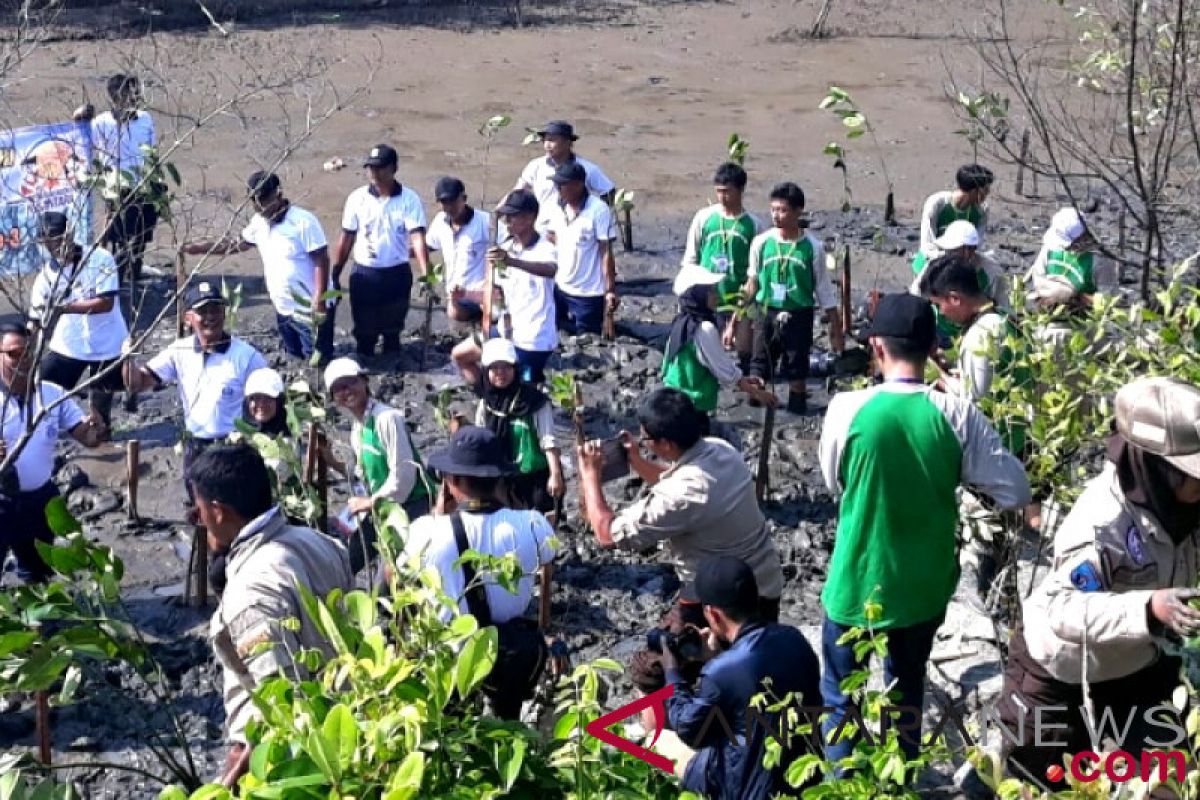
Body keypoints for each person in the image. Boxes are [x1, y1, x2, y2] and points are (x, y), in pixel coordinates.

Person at [817, 293, 1030, 766]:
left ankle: (843, 788)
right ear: (932, 348)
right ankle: (900, 784)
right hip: (923, 588)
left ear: (876, 347)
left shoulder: (846, 409)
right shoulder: (957, 414)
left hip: (856, 581)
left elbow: (836, 484)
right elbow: (1015, 490)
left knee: (838, 702)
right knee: (905, 692)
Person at [996, 376, 1200, 786]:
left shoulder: (1185, 511)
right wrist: (1149, 608)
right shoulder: (1102, 521)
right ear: (1158, 468)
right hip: (1060, 675)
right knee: (1038, 783)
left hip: (1137, 667)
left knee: (1166, 781)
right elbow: (1062, 609)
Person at [576, 388, 784, 692]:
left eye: (646, 439)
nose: (644, 443)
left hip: (721, 602)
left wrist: (590, 477)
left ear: (667, 444)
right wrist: (635, 458)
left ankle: (678, 723)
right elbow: (672, 481)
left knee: (651, 673)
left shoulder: (682, 496)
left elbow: (608, 534)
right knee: (757, 671)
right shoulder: (719, 449)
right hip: (764, 581)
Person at [189, 443, 351, 787]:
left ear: (217, 511)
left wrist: (231, 781)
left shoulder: (251, 589)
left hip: (301, 763)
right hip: (349, 723)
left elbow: (280, 704)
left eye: (198, 511)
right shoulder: (319, 541)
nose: (198, 520)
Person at [398, 425, 556, 718]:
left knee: (455, 728)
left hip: (453, 655)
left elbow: (397, 576)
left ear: (452, 480)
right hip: (511, 655)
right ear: (500, 478)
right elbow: (546, 558)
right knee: (508, 727)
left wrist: (439, 513)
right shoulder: (533, 524)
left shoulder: (426, 532)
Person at [653, 556, 822, 799]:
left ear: (713, 614)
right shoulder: (794, 638)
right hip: (802, 781)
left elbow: (688, 729)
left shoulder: (721, 671)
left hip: (743, 789)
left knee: (654, 741)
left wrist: (672, 673)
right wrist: (718, 657)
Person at [182, 172, 333, 363]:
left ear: (278, 194)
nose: (259, 205)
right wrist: (201, 248)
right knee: (294, 356)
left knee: (318, 360)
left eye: (263, 199)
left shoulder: (303, 222)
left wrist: (319, 300)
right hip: (283, 307)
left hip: (308, 307)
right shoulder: (258, 223)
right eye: (254, 200)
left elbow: (322, 260)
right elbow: (238, 244)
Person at [122, 281, 268, 478]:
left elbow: (271, 402)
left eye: (216, 309)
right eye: (203, 311)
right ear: (188, 318)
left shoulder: (248, 357)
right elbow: (137, 383)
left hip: (233, 447)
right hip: (195, 447)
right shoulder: (178, 351)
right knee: (197, 504)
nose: (210, 317)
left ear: (224, 313)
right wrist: (127, 358)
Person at [0, 324, 106, 584]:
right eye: (14, 354)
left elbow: (86, 437)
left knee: (38, 572)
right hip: (1, 502)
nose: (23, 360)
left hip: (40, 501)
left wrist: (96, 430)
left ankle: (40, 624)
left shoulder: (51, 393)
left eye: (28, 353)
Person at [738, 182, 842, 415]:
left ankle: (796, 411)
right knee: (759, 363)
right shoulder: (761, 243)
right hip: (766, 311)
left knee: (797, 369)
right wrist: (736, 318)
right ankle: (756, 411)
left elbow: (823, 290)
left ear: (798, 211)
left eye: (783, 210)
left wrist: (836, 327)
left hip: (799, 314)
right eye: (773, 209)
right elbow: (752, 282)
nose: (776, 215)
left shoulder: (812, 248)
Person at [322, 358, 430, 574]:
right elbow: (361, 474)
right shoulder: (358, 427)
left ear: (364, 381)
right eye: (338, 389)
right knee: (346, 563)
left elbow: (404, 474)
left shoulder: (387, 419)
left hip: (410, 507)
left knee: (389, 581)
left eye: (350, 383)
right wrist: (330, 459)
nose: (346, 391)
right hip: (380, 508)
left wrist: (369, 502)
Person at [28, 211, 128, 430]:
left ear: (70, 233)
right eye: (49, 241)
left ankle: (105, 427)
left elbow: (105, 303)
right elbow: (34, 320)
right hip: (69, 344)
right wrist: (25, 349)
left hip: (107, 343)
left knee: (101, 412)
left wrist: (63, 308)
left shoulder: (100, 258)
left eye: (59, 238)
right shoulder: (45, 278)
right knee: (41, 390)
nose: (56, 245)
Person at [331, 144, 431, 358]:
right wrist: (335, 274)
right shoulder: (357, 199)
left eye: (379, 168)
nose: (374, 173)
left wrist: (426, 274)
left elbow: (418, 238)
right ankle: (365, 362)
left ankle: (393, 364)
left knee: (393, 329)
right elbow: (346, 238)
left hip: (397, 273)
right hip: (365, 273)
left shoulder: (409, 199)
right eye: (370, 168)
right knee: (364, 330)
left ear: (394, 168)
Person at [451, 190, 558, 386]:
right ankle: (487, 396)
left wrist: (513, 262)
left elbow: (550, 270)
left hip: (534, 340)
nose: (507, 221)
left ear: (529, 218)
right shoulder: (506, 248)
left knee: (523, 386)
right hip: (505, 331)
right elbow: (497, 291)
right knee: (460, 356)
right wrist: (466, 295)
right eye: (505, 216)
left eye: (512, 216)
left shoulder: (545, 248)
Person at [662, 262, 778, 436]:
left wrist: (743, 378)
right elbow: (725, 372)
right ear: (698, 295)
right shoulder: (703, 329)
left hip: (673, 401)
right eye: (711, 291)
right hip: (691, 407)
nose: (716, 295)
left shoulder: (682, 323)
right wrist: (758, 393)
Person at [453, 337, 563, 512]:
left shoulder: (534, 402)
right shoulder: (486, 404)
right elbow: (482, 442)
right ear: (486, 371)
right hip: (500, 480)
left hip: (534, 481)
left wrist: (555, 476)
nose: (500, 373)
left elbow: (548, 441)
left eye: (506, 367)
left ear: (515, 368)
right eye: (494, 368)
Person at [75, 74, 160, 284]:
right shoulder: (101, 123)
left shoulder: (145, 119)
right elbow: (81, 141)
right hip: (116, 188)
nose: (134, 97)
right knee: (117, 236)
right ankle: (113, 275)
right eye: (129, 93)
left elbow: (152, 152)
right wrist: (79, 117)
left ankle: (135, 272)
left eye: (136, 92)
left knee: (142, 233)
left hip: (144, 184)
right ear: (115, 97)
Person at [681, 163, 762, 370]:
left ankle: (746, 381)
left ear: (741, 190)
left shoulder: (754, 225)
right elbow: (691, 259)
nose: (722, 197)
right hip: (708, 297)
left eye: (727, 192)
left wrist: (738, 314)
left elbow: (756, 273)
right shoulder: (704, 217)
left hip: (739, 296)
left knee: (744, 349)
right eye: (718, 192)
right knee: (708, 348)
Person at [540, 162, 619, 336]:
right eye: (556, 184)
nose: (557, 188)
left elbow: (606, 252)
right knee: (556, 328)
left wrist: (610, 290)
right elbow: (551, 236)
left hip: (588, 293)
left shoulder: (598, 210)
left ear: (578, 185)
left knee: (587, 335)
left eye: (562, 184)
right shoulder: (557, 207)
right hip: (560, 286)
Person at [910, 220, 1008, 341]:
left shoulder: (991, 271)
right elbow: (916, 297)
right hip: (941, 331)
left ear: (968, 251)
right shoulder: (937, 266)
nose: (947, 254)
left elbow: (1005, 308)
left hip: (979, 332)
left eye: (952, 250)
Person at [1027, 206, 1117, 312]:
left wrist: (1075, 298)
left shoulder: (1100, 261)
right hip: (1048, 312)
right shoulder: (1050, 249)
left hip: (1084, 319)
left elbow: (1107, 299)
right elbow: (1038, 277)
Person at [426, 176, 491, 324]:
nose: (449, 207)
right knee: (453, 314)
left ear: (464, 198)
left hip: (484, 293)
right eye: (444, 202)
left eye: (453, 201)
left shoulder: (486, 222)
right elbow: (427, 247)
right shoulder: (440, 221)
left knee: (493, 316)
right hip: (457, 296)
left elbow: (508, 248)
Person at [515, 120, 615, 209]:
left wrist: (593, 213)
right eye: (545, 140)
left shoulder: (587, 168)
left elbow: (609, 192)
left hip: (573, 225)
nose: (547, 145)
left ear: (568, 143)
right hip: (542, 225)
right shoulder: (535, 166)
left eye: (552, 140)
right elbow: (518, 192)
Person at [917, 164, 994, 259]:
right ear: (974, 191)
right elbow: (927, 245)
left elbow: (976, 244)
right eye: (985, 190)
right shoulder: (937, 203)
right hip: (932, 258)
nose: (988, 193)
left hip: (962, 261)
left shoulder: (982, 210)